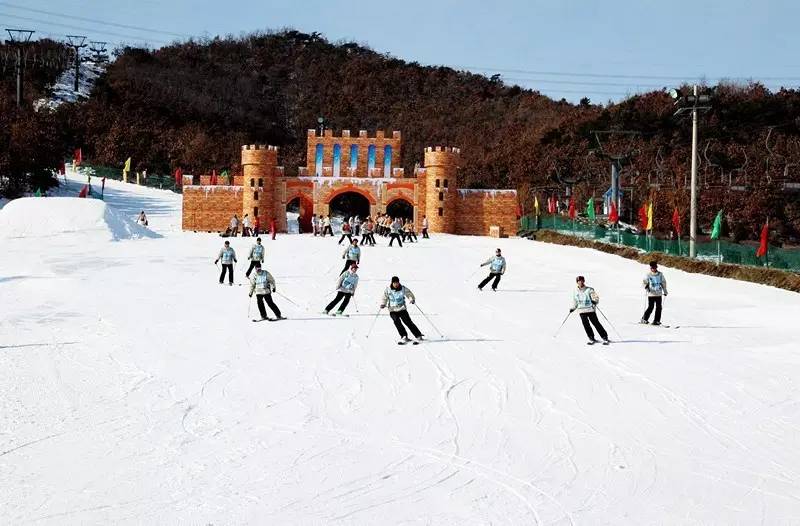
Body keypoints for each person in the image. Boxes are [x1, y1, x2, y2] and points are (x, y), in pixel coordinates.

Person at [380, 276, 424, 344]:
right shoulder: (388, 289)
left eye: (397, 283)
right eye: (394, 283)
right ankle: (404, 336)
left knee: (408, 322)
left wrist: (411, 299)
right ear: (392, 283)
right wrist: (383, 304)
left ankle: (418, 335)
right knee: (397, 322)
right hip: (392, 309)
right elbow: (384, 297)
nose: (396, 284)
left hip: (402, 308)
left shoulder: (403, 288)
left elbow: (409, 293)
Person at [570, 275, 609, 345]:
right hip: (581, 310)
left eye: (581, 281)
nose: (580, 282)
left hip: (590, 309)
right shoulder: (575, 291)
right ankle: (591, 337)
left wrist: (595, 301)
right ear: (577, 282)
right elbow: (575, 301)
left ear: (584, 281)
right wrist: (573, 308)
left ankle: (604, 337)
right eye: (579, 281)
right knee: (586, 325)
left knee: (596, 323)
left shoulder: (589, 289)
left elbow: (595, 297)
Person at [640, 261, 668, 325]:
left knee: (659, 307)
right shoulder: (648, 274)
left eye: (655, 267)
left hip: (658, 293)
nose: (654, 269)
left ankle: (656, 320)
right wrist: (646, 286)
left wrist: (665, 291)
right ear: (650, 268)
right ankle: (644, 319)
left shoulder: (660, 274)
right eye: (652, 268)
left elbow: (663, 283)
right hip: (651, 294)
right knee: (651, 307)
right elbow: (644, 282)